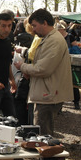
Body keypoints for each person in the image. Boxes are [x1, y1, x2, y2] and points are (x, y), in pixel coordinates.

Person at [14, 9, 73, 137]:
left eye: (34, 25)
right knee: (43, 133)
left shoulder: (54, 41)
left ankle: (47, 157)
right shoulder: (49, 39)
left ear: (44, 23)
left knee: (44, 136)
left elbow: (43, 69)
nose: (33, 30)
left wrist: (23, 66)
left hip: (48, 94)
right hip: (46, 92)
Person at [56, 22, 81, 110]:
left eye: (59, 29)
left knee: (73, 84)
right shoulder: (55, 37)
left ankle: (76, 102)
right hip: (59, 63)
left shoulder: (70, 36)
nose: (58, 30)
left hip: (70, 63)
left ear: (63, 29)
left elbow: (77, 49)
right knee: (59, 84)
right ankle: (59, 105)